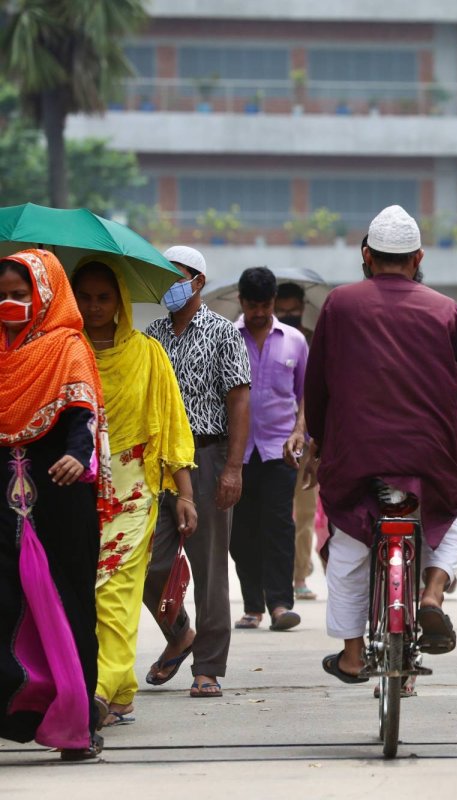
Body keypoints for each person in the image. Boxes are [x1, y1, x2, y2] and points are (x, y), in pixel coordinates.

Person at [307, 205, 457, 681]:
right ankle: (431, 593)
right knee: (448, 521)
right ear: (417, 258)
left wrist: (320, 442)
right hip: (430, 455)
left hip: (356, 454)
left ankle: (351, 655)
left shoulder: (339, 304)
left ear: (367, 256)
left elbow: (318, 384)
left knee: (348, 544)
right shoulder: (446, 310)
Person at [72, 261, 196, 729]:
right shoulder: (63, 351)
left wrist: (186, 496)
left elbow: (171, 426)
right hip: (76, 489)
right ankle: (120, 690)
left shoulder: (147, 354)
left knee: (118, 591)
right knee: (84, 589)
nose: (94, 306)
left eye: (104, 297)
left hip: (133, 489)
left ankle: (101, 690)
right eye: (84, 296)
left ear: (120, 301)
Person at [0, 250, 112, 759]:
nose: (10, 302)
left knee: (70, 605)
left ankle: (77, 724)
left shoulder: (68, 347)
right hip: (1, 498)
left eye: (21, 295)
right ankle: (16, 710)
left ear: (45, 296)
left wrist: (75, 455)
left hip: (60, 495)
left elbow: (84, 417)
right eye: (3, 294)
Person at [143, 245, 251, 700]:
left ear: (198, 280)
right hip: (158, 462)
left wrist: (232, 467)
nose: (170, 285)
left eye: (178, 276)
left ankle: (208, 665)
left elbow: (240, 400)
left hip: (207, 456)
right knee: (148, 563)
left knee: (209, 568)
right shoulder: (151, 335)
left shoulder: (224, 333)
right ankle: (180, 633)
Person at [229, 268, 309, 632]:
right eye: (252, 305)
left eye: (265, 304)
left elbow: (305, 395)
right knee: (241, 532)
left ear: (273, 302)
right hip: (237, 454)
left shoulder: (294, 341)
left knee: (279, 526)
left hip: (281, 451)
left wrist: (300, 431)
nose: (259, 312)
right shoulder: (227, 338)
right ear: (241, 302)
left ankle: (279, 604)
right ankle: (252, 606)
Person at [275, 281, 320, 602]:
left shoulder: (318, 341)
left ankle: (300, 574)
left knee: (304, 513)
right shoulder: (268, 340)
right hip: (272, 441)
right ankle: (276, 574)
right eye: (283, 310)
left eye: (294, 310)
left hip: (309, 441)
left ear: (303, 307)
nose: (288, 315)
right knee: (275, 513)